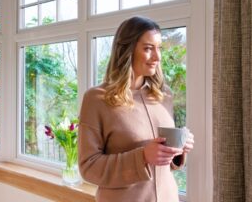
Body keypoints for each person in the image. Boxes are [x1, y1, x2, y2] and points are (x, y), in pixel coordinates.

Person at [78, 16, 194, 202]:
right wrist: (142, 157)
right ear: (127, 50)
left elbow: (164, 164)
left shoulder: (164, 96)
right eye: (148, 49)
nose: (158, 57)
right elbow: (88, 168)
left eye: (159, 48)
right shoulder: (97, 99)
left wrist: (178, 150)